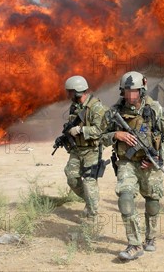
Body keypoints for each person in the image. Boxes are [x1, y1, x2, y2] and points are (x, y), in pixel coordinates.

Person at [102, 71, 164, 261]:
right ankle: (134, 244)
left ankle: (150, 238)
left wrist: (159, 158)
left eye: (134, 91)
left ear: (142, 90)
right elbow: (100, 137)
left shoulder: (156, 109)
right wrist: (115, 135)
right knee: (125, 199)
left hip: (150, 164)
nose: (130, 96)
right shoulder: (114, 112)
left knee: (152, 202)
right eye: (126, 91)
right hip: (127, 162)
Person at [62, 75, 107, 223]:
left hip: (91, 150)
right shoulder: (74, 107)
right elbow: (71, 125)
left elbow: (100, 130)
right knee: (71, 176)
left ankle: (92, 216)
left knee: (89, 182)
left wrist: (81, 130)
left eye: (70, 92)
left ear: (78, 91)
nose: (68, 95)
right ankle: (89, 200)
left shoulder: (96, 107)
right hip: (77, 149)